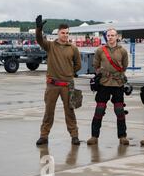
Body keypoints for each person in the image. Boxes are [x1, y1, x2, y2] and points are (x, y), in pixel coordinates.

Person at [35, 15, 82, 146]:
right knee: (49, 112)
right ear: (58, 33)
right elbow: (39, 40)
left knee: (70, 112)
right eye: (63, 33)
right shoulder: (50, 46)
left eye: (67, 33)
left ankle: (74, 135)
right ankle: (44, 136)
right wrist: (38, 29)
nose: (65, 35)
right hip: (52, 85)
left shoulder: (73, 48)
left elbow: (78, 65)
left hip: (67, 86)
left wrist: (69, 73)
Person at [87, 28, 130, 146]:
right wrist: (102, 74)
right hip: (104, 83)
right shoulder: (100, 50)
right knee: (99, 110)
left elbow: (124, 66)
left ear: (117, 37)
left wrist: (116, 75)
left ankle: (122, 136)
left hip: (118, 84)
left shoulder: (123, 51)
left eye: (112, 35)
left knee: (119, 111)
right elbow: (95, 65)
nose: (110, 37)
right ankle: (94, 136)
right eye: (108, 35)